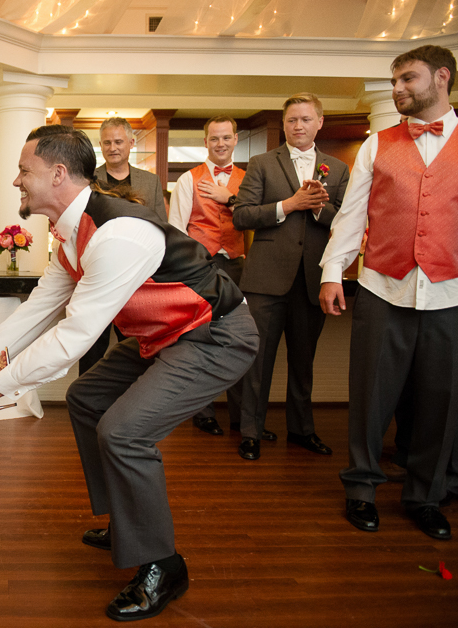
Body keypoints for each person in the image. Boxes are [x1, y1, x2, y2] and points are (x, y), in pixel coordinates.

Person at [0, 126, 258, 621]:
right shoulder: (72, 232)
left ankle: (163, 566)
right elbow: (40, 310)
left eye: (24, 171)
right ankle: (129, 523)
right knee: (87, 398)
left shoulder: (118, 233)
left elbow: (71, 338)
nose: (16, 181)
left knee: (124, 433)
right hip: (164, 335)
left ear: (58, 173)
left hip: (215, 335)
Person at [319, 45, 458, 541]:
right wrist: (332, 272)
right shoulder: (378, 145)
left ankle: (425, 495)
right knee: (372, 395)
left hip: (449, 294)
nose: (397, 88)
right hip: (382, 286)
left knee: (442, 402)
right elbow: (353, 215)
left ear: (442, 77)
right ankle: (362, 489)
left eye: (408, 79)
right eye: (394, 80)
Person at [231, 93, 349, 461]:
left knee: (303, 360)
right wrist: (289, 205)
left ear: (319, 122)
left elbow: (347, 221)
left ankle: (302, 430)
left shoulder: (339, 168)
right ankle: (251, 431)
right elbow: (242, 216)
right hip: (266, 280)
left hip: (314, 280)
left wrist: (317, 209)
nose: (298, 126)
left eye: (304, 119)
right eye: (291, 120)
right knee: (258, 360)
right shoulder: (262, 163)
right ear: (284, 125)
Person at [168, 115, 249, 437]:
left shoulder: (247, 178)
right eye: (214, 138)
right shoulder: (189, 178)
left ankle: (241, 416)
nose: (220, 144)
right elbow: (176, 228)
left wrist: (228, 198)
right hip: (200, 268)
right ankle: (202, 412)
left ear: (235, 139)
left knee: (237, 337)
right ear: (205, 142)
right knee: (200, 338)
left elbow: (256, 217)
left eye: (226, 138)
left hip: (236, 264)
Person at [80, 117, 168, 375]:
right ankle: (88, 403)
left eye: (118, 141)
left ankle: (132, 405)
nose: (113, 147)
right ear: (100, 145)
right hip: (96, 275)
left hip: (137, 279)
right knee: (91, 346)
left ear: (131, 143)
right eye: (107, 142)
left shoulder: (149, 182)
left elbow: (161, 227)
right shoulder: (87, 181)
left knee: (134, 347)